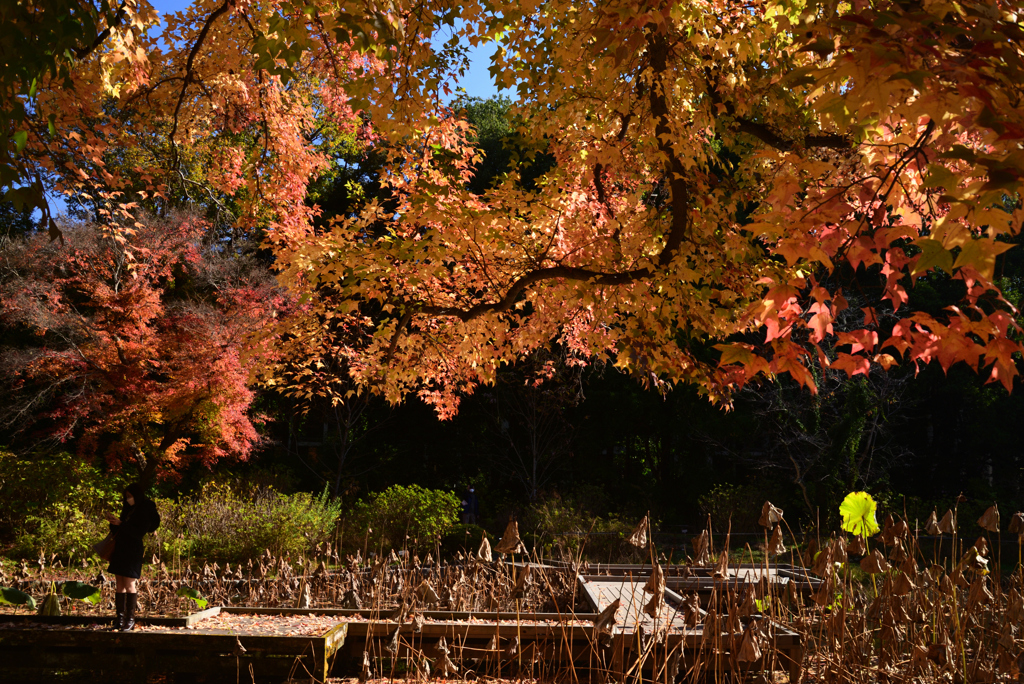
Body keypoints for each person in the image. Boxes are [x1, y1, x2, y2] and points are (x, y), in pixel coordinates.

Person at [104, 483, 161, 631]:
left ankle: (130, 619)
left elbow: (138, 533)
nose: (128, 499)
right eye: (126, 497)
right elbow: (121, 528)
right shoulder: (128, 509)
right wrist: (114, 522)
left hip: (132, 549)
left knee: (130, 584)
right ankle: (120, 619)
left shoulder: (144, 510)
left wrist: (121, 524)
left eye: (130, 496)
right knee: (119, 584)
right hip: (121, 547)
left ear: (137, 496)